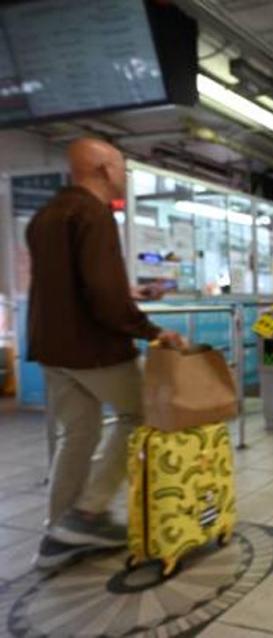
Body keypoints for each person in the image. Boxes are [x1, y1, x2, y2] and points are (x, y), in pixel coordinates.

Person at [26, 138, 185, 569]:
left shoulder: (44, 216)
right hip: (93, 348)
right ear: (102, 169)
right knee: (140, 415)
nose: (123, 176)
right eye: (121, 167)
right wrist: (152, 330)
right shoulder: (93, 214)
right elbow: (100, 294)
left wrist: (123, 292)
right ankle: (88, 513)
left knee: (77, 434)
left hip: (50, 346)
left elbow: (66, 284)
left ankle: (57, 531)